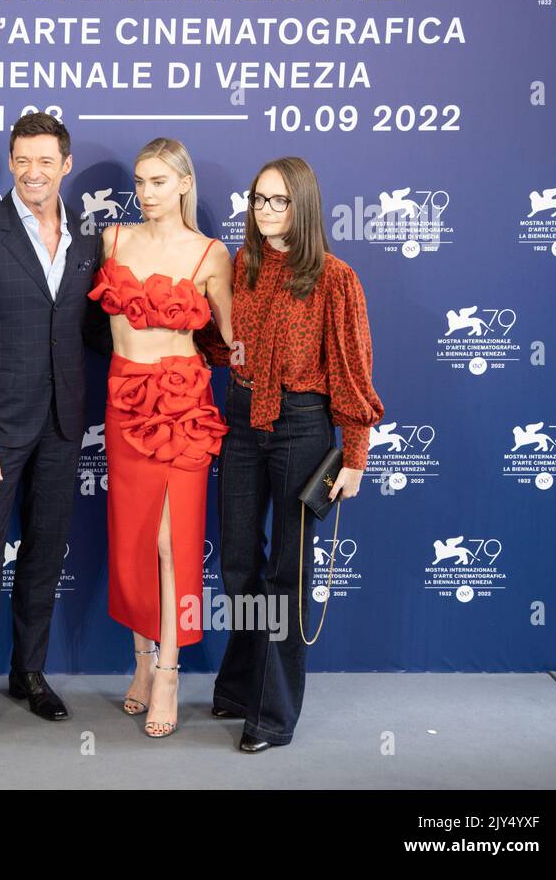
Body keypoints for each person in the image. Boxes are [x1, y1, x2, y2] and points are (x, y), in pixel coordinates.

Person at [195, 156, 383, 752]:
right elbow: (223, 346)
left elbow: (353, 373)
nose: (268, 211)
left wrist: (354, 456)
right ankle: (241, 683)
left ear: (303, 206)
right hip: (243, 419)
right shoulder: (242, 265)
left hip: (303, 425)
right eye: (259, 200)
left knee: (287, 573)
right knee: (239, 563)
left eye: (280, 201)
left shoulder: (335, 277)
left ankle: (272, 715)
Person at [0, 112, 111, 753]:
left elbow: (93, 332)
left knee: (44, 554)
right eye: (22, 160)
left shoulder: (89, 245)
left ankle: (28, 671)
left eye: (45, 161)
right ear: (10, 162)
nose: (33, 172)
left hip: (65, 427)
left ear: (66, 165)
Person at [86, 137, 231, 737]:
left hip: (182, 407)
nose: (146, 193)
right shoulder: (113, 240)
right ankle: (141, 662)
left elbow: (232, 338)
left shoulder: (210, 254)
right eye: (140, 182)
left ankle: (169, 672)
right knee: (137, 539)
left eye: (158, 182)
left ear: (183, 184)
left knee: (175, 543)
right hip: (124, 402)